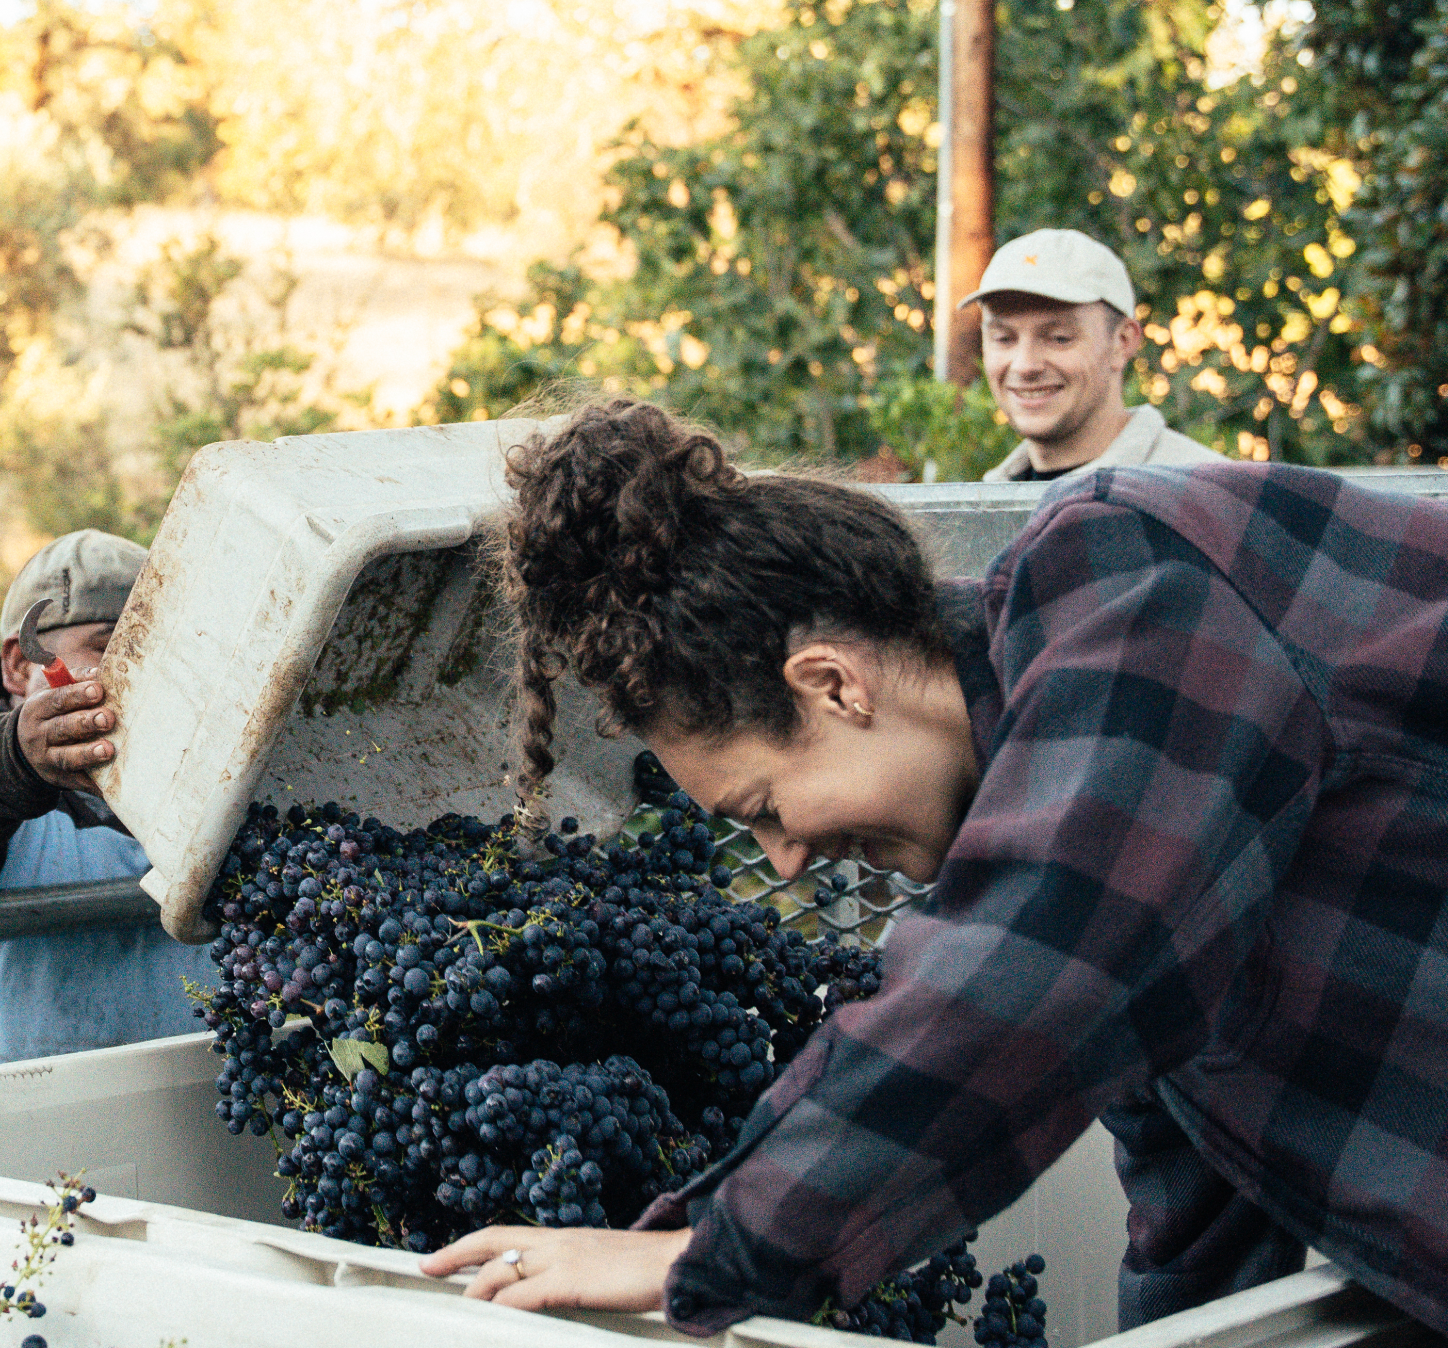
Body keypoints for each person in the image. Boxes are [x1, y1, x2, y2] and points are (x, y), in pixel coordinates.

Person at [418, 400, 1448, 1339]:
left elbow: (1043, 962)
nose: (784, 859)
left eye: (764, 808)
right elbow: (1196, 1213)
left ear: (832, 684)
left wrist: (710, 1243)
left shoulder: (1125, 572)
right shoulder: (1102, 832)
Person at [0, 530, 213, 1062]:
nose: (141, 674)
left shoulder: (219, 796)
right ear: (20, 665)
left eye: (158, 651)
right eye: (110, 647)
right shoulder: (16, 807)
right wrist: (16, 759)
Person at [963, 228, 1224, 482]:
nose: (1025, 365)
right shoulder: (982, 499)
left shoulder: (1206, 492)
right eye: (1003, 338)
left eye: (1059, 338)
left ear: (1122, 342)